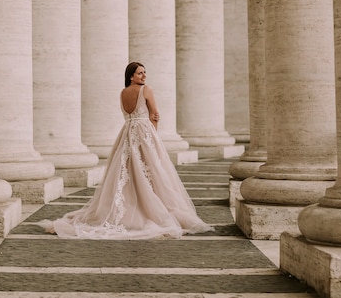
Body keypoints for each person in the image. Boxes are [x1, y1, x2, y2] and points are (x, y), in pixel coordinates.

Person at [37, 61, 213, 239]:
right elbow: (155, 115)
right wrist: (154, 136)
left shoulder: (122, 93)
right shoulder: (146, 90)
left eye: (144, 72)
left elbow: (131, 115)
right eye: (139, 73)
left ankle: (129, 206)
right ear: (131, 76)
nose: (144, 76)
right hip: (145, 133)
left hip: (127, 133)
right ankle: (150, 208)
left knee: (127, 171)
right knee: (152, 171)